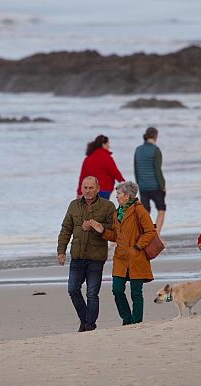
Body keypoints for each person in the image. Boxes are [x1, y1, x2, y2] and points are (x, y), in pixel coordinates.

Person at [90, 181, 156, 325]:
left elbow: (150, 232)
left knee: (136, 293)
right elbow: (115, 236)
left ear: (127, 195)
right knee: (117, 290)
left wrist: (137, 247)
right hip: (120, 257)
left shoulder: (139, 210)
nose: (116, 196)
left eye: (119, 194)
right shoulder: (117, 212)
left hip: (136, 257)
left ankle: (136, 321)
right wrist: (102, 231)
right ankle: (127, 319)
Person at [58, 176, 116, 332]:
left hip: (96, 257)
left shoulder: (108, 206)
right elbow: (66, 229)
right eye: (85, 188)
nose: (88, 191)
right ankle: (86, 321)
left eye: (91, 188)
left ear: (97, 188)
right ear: (81, 188)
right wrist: (61, 251)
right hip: (77, 256)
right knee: (73, 289)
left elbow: (113, 229)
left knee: (92, 293)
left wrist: (95, 226)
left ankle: (89, 326)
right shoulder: (74, 205)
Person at [133, 127, 167, 234]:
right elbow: (158, 170)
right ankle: (155, 235)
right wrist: (162, 185)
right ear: (155, 136)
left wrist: (139, 184)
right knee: (161, 210)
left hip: (143, 186)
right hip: (156, 186)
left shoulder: (138, 150)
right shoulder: (155, 150)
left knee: (146, 213)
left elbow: (136, 169)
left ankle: (147, 235)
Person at [76, 134, 125, 200]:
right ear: (103, 144)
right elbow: (114, 172)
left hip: (90, 190)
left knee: (92, 209)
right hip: (104, 190)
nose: (109, 145)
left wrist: (79, 192)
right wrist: (123, 181)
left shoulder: (88, 158)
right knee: (102, 209)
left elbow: (82, 177)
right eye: (108, 143)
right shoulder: (107, 157)